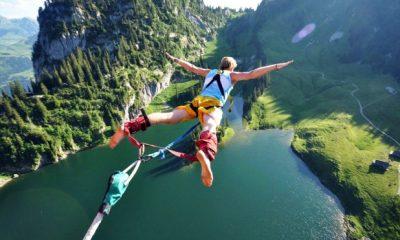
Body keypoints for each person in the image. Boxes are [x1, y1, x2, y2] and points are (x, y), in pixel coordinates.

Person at [110, 53, 293, 187]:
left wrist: (175, 59)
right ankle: (204, 152)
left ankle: (129, 126)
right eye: (234, 68)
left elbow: (190, 67)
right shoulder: (232, 75)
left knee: (168, 117)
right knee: (211, 125)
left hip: (196, 103)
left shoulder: (210, 71)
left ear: (220, 64)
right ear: (231, 68)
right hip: (212, 105)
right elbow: (253, 73)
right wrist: (276, 66)